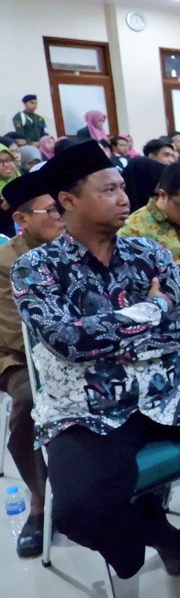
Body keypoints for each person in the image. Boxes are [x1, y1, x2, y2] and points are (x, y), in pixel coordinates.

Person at [11, 141, 180, 580]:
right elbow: (67, 341)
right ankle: (151, 532)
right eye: (109, 190)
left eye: (123, 188)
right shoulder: (36, 268)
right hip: (87, 409)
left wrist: (107, 330)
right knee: (78, 512)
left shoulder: (147, 254)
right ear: (68, 201)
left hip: (166, 394)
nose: (124, 199)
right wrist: (153, 311)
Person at [0, 172, 64, 558]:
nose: (61, 216)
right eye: (51, 210)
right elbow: (12, 332)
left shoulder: (76, 246)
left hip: (76, 349)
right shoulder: (6, 262)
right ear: (22, 220)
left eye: (63, 207)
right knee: (28, 400)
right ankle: (39, 499)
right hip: (18, 356)